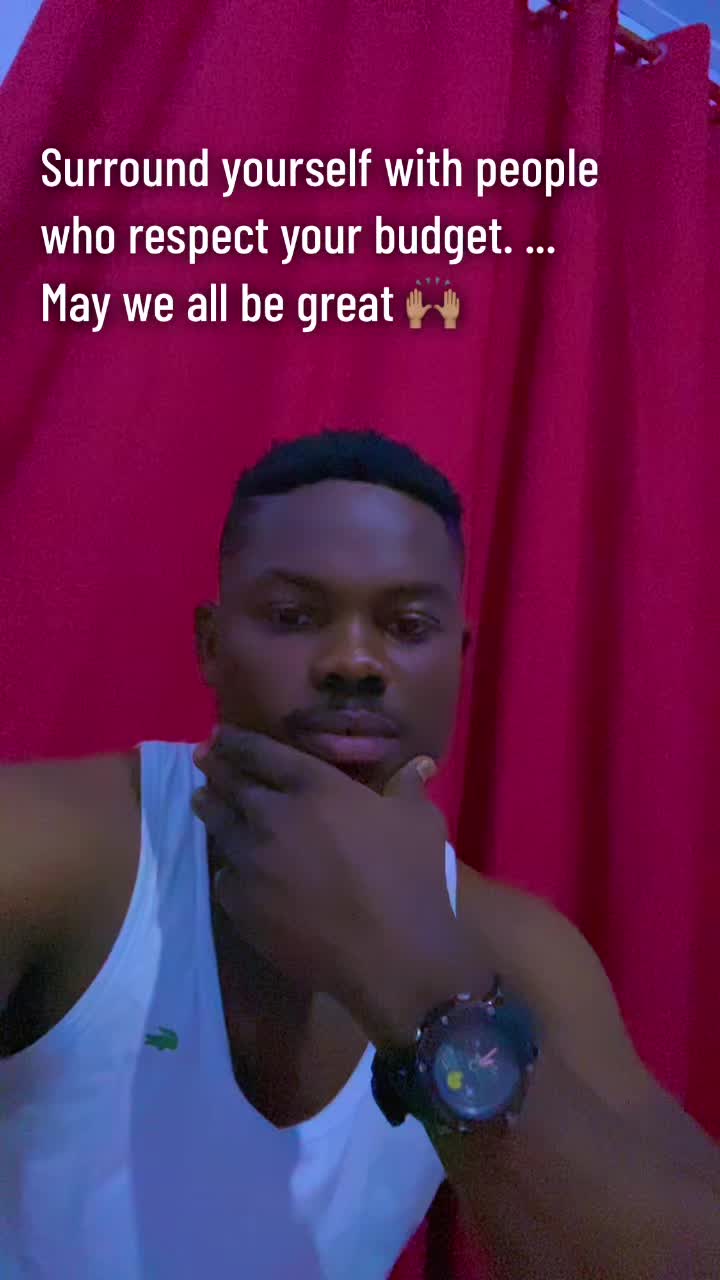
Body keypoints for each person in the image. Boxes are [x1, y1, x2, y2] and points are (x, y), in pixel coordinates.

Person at [0, 430, 718, 1280]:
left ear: (459, 662)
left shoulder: (523, 953)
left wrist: (419, 985)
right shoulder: (52, 852)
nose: (353, 661)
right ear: (210, 644)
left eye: (407, 626)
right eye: (293, 616)